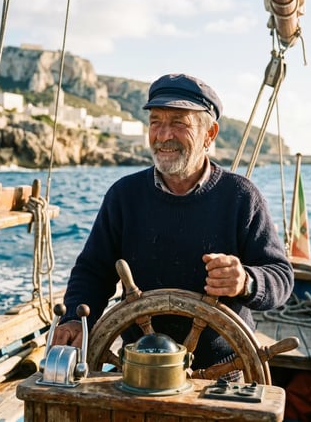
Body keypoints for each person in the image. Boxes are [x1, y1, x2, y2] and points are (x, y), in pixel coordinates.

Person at [52, 73, 294, 380]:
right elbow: (93, 272)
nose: (163, 134)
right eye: (155, 121)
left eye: (179, 123)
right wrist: (74, 317)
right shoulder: (124, 196)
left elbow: (281, 277)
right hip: (138, 370)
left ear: (210, 134)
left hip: (221, 374)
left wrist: (246, 281)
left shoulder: (241, 197)